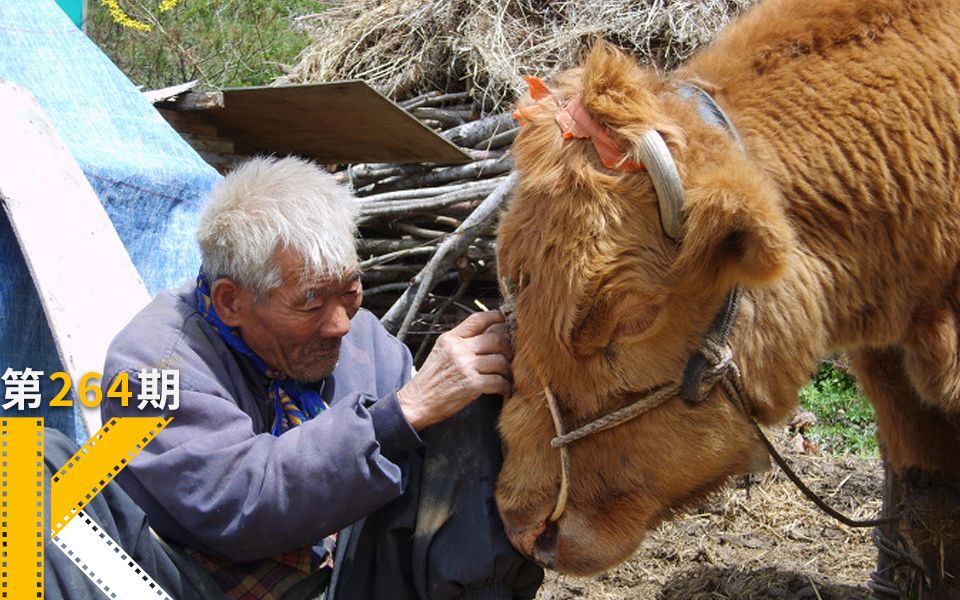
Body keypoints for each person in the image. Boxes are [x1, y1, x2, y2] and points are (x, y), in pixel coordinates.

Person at [97, 156, 543, 599]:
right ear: (231, 301)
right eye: (310, 303)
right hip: (213, 585)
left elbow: (433, 457)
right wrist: (395, 416)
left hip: (340, 578)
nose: (340, 326)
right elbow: (241, 505)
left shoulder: (359, 339)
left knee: (465, 413)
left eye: (349, 291)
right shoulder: (155, 367)